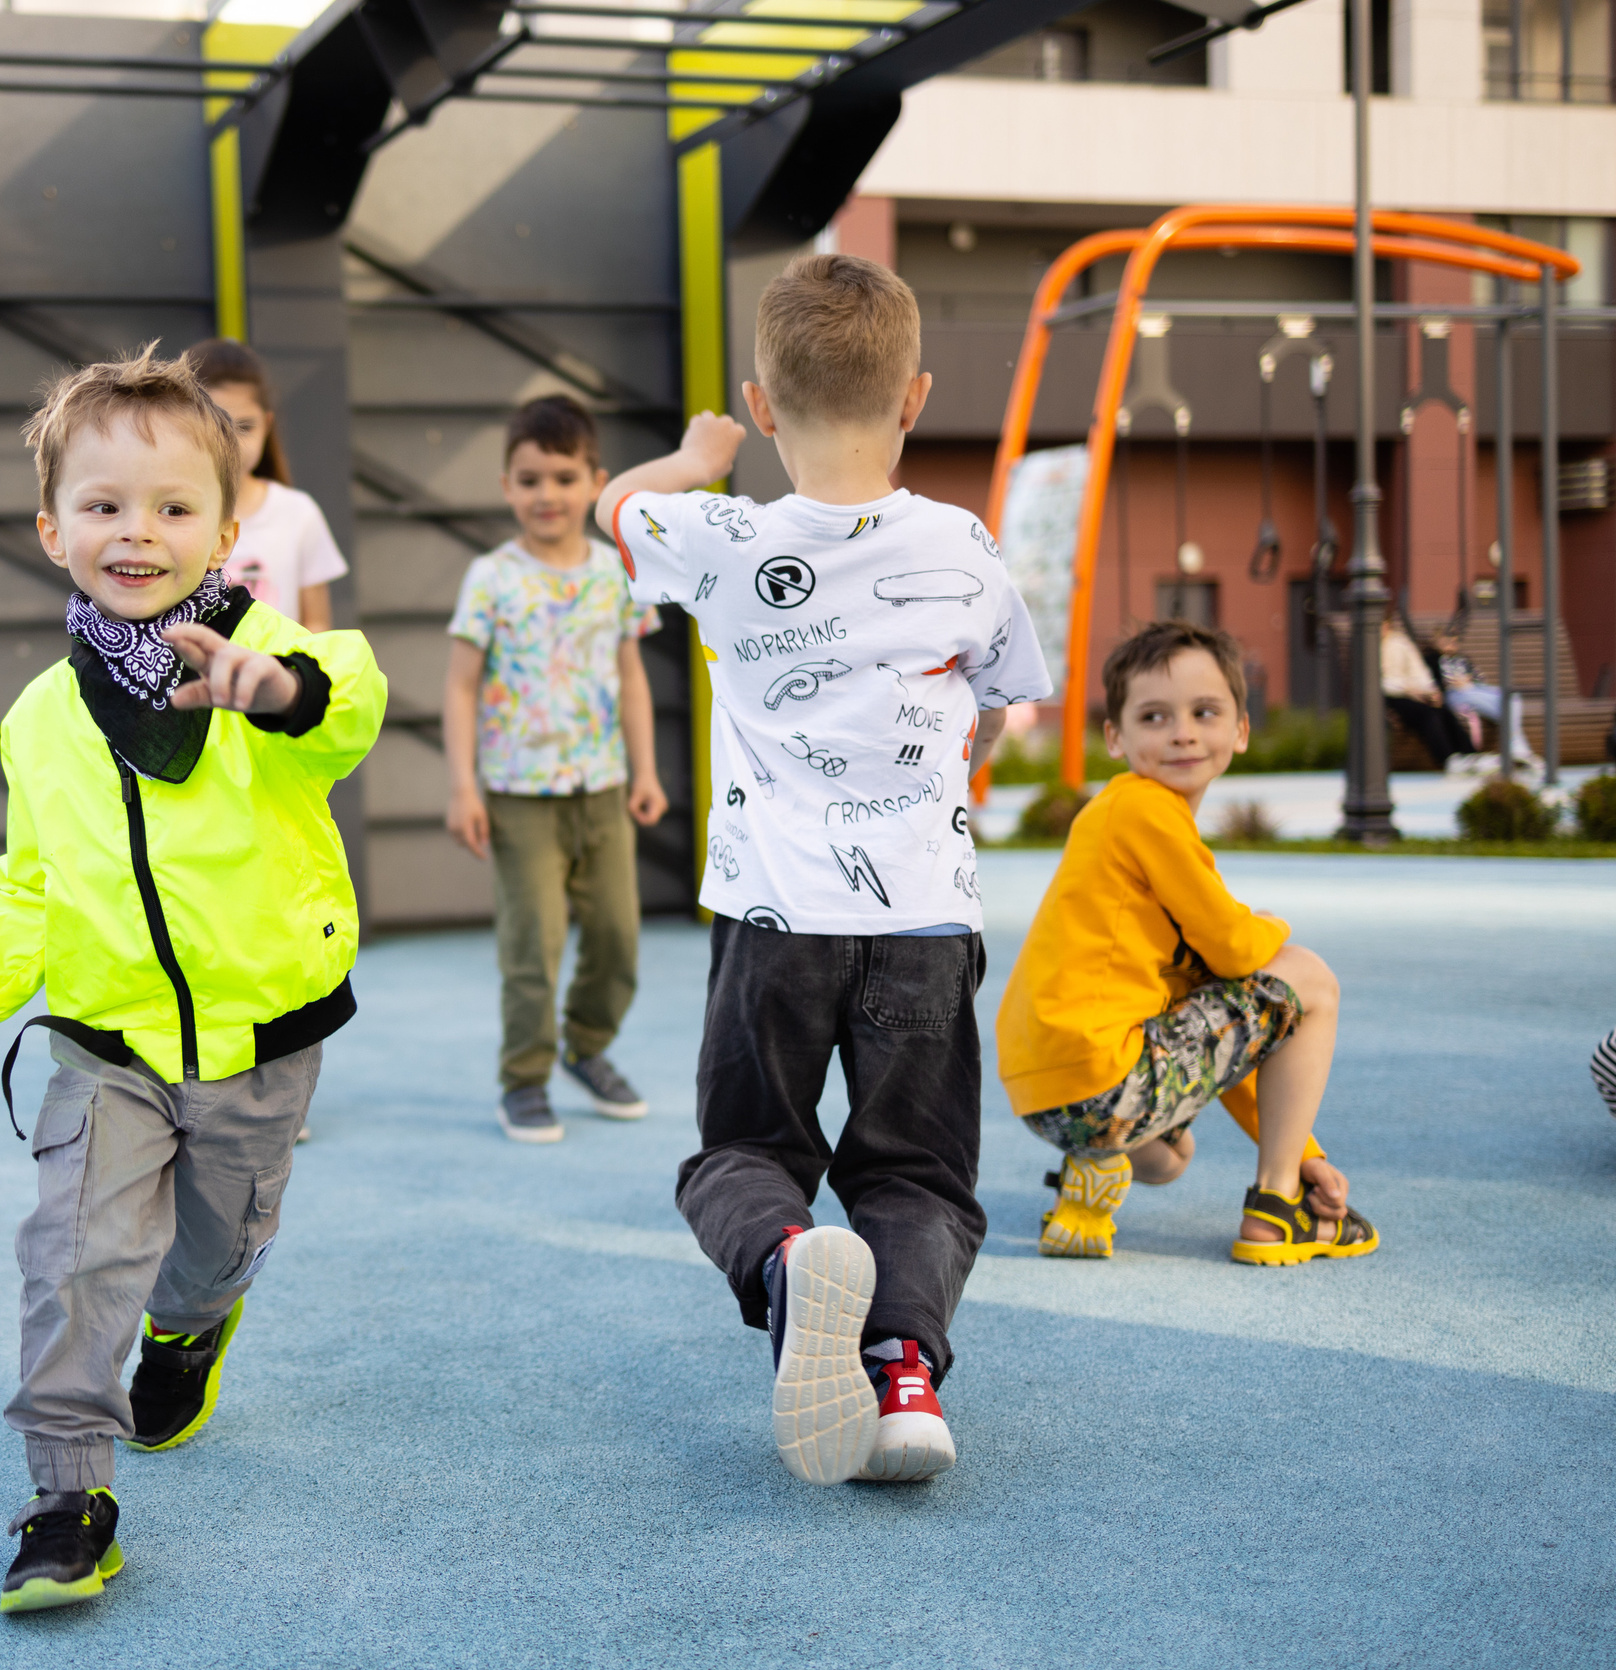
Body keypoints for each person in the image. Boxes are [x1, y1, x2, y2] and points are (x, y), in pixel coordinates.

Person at [0, 347, 384, 1615]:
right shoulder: (46, 715)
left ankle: (190, 1329)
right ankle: (66, 1499)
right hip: (108, 1046)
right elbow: (33, 886)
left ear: (226, 522)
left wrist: (272, 691)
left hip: (261, 1041)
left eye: (171, 508)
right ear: (54, 531)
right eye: (104, 506)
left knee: (208, 1255)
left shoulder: (270, 658)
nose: (137, 533)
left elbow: (350, 702)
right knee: (74, 1257)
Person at [592, 253, 1053, 1487]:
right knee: (915, 1169)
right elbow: (999, 709)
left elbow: (611, 504)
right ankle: (905, 1377)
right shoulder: (963, 545)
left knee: (741, 1154)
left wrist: (691, 463)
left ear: (760, 403)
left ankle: (789, 1264)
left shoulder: (716, 535)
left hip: (774, 917)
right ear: (914, 398)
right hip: (922, 918)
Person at [997, 621, 1379, 1272]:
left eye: (1205, 712)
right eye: (1155, 715)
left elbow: (1226, 1038)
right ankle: (1278, 1207)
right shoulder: (1143, 811)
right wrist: (1271, 925)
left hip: (1049, 1093)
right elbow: (1235, 949)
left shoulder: (1125, 822)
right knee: (1308, 978)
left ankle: (1091, 1174)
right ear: (1115, 736)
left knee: (1172, 1157)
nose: (1182, 731)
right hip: (1104, 1074)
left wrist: (1304, 1148)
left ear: (1240, 729)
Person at [444, 395, 668, 1144]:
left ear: (595, 483)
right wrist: (463, 787)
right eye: (531, 479)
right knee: (532, 946)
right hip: (517, 796)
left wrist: (646, 771)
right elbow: (461, 686)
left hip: (603, 786)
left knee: (617, 938)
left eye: (565, 478)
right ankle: (526, 1076)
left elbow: (633, 675)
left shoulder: (615, 573)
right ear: (508, 485)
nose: (548, 495)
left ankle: (588, 1045)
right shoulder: (491, 578)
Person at [187, 337, 348, 632]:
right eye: (217, 426)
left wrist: (296, 675)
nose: (232, 442)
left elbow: (317, 624)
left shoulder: (299, 513)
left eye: (245, 426)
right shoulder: (168, 514)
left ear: (268, 424)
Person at [1433, 628, 1538, 773]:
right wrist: (1452, 683)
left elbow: (1480, 679)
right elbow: (1435, 683)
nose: (1450, 644)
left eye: (1453, 640)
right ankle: (1519, 749)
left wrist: (1468, 680)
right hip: (1455, 694)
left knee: (1512, 696)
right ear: (1436, 641)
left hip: (1474, 689)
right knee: (1505, 709)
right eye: (1445, 640)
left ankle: (1518, 750)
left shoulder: (1463, 659)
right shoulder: (1433, 660)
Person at [1381, 612, 1473, 767]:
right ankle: (1449, 760)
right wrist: (1407, 689)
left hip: (1413, 693)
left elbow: (1418, 670)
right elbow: (1376, 681)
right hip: (1391, 697)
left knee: (1442, 710)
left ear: (1388, 624)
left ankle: (1470, 755)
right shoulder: (1367, 647)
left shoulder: (1400, 642)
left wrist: (1431, 690)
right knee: (1428, 715)